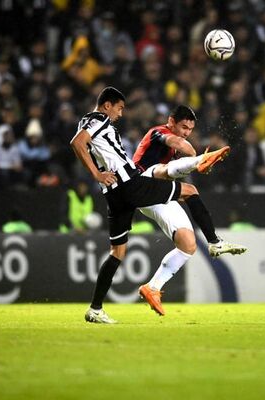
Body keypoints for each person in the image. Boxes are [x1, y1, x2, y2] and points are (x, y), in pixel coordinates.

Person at [70, 87, 227, 324]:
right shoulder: (100, 119)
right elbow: (77, 143)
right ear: (106, 105)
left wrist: (100, 176)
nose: (121, 114)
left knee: (117, 253)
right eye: (119, 108)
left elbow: (82, 144)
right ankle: (214, 239)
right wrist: (97, 175)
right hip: (128, 183)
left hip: (113, 193)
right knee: (188, 190)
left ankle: (95, 308)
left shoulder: (87, 121)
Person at [132, 105, 248, 316]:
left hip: (155, 195)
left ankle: (153, 287)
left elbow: (180, 150)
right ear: (171, 121)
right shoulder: (157, 132)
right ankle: (200, 162)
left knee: (188, 244)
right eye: (183, 127)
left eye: (190, 130)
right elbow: (177, 143)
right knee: (165, 171)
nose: (186, 132)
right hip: (138, 185)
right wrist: (195, 158)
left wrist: (191, 160)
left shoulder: (176, 147)